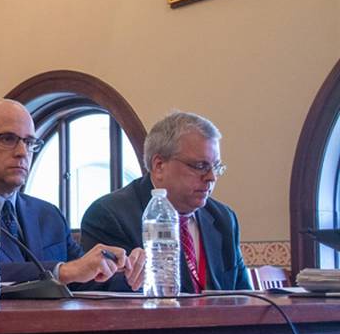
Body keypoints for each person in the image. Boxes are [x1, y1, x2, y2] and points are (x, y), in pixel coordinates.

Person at [0, 99, 145, 289]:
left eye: (29, 142)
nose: (22, 152)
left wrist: (126, 272)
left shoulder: (48, 214)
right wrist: (62, 271)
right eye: (8, 139)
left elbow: (81, 277)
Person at [80, 111, 252, 292]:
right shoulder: (110, 214)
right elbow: (106, 296)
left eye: (216, 167)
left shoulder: (223, 218)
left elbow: (246, 297)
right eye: (200, 166)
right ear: (159, 166)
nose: (211, 177)